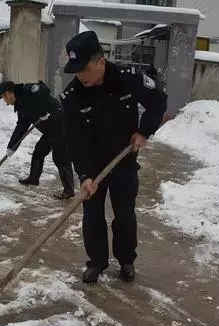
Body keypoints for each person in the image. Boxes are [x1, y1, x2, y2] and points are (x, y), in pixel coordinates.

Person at [60, 31, 168, 284]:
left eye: (85, 69)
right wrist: (85, 175)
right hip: (94, 166)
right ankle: (96, 262)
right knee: (92, 216)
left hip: (123, 161)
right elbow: (75, 141)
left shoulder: (127, 80)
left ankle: (126, 260)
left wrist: (144, 131)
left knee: (125, 214)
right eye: (76, 70)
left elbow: (158, 101)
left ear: (101, 61)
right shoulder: (72, 97)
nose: (81, 76)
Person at [0, 80, 75, 200]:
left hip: (60, 124)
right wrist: (11, 147)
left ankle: (69, 190)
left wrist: (45, 110)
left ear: (8, 93)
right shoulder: (21, 106)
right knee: (38, 152)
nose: (6, 103)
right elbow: (21, 128)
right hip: (50, 130)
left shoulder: (27, 91)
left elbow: (44, 90)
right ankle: (34, 178)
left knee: (60, 158)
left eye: (3, 98)